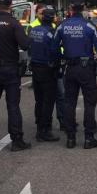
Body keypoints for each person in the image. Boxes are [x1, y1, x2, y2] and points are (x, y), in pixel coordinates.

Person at [52, 0, 97, 149]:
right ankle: (89, 138)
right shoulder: (90, 27)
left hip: (70, 68)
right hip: (86, 69)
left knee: (69, 103)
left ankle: (70, 138)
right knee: (90, 104)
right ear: (83, 7)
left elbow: (53, 48)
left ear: (70, 7)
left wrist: (62, 59)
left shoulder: (62, 26)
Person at [0, 0, 31, 151]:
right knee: (13, 106)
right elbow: (25, 44)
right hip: (9, 68)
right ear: (10, 6)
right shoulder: (13, 23)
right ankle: (16, 140)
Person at [29, 8, 60, 143]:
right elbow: (55, 51)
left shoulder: (33, 30)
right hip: (48, 69)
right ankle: (45, 130)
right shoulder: (51, 33)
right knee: (48, 101)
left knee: (39, 100)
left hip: (35, 69)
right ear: (52, 19)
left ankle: (38, 128)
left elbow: (29, 47)